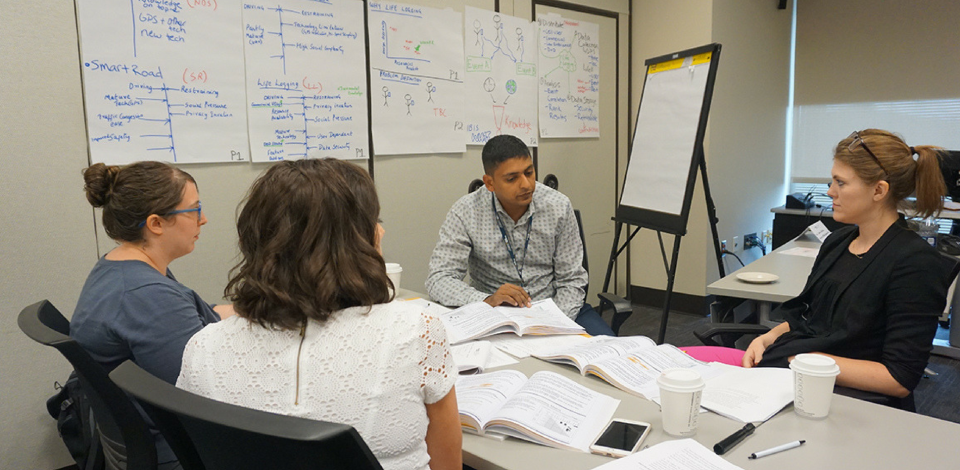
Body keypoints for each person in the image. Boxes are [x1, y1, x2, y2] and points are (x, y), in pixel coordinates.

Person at [177, 159, 461, 470]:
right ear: (353, 241)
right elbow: (447, 463)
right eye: (372, 221)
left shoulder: (203, 348)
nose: (380, 230)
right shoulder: (416, 330)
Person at [740, 129, 959, 401]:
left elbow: (899, 378)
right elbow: (811, 317)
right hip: (804, 381)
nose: (830, 192)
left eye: (840, 183)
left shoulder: (915, 263)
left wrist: (809, 360)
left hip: (853, 402)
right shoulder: (838, 241)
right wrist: (767, 338)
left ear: (879, 190)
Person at [71, 161, 229, 468]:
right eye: (194, 210)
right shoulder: (145, 297)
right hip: (180, 448)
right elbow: (202, 393)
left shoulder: (120, 267)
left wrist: (249, 312)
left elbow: (192, 318)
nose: (204, 219)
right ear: (156, 223)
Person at [425, 134, 615, 336]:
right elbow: (439, 278)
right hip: (495, 315)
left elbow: (572, 281)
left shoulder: (558, 206)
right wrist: (485, 300)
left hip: (556, 309)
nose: (526, 184)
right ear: (490, 183)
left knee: (611, 354)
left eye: (529, 172)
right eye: (512, 178)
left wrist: (551, 324)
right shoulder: (466, 211)